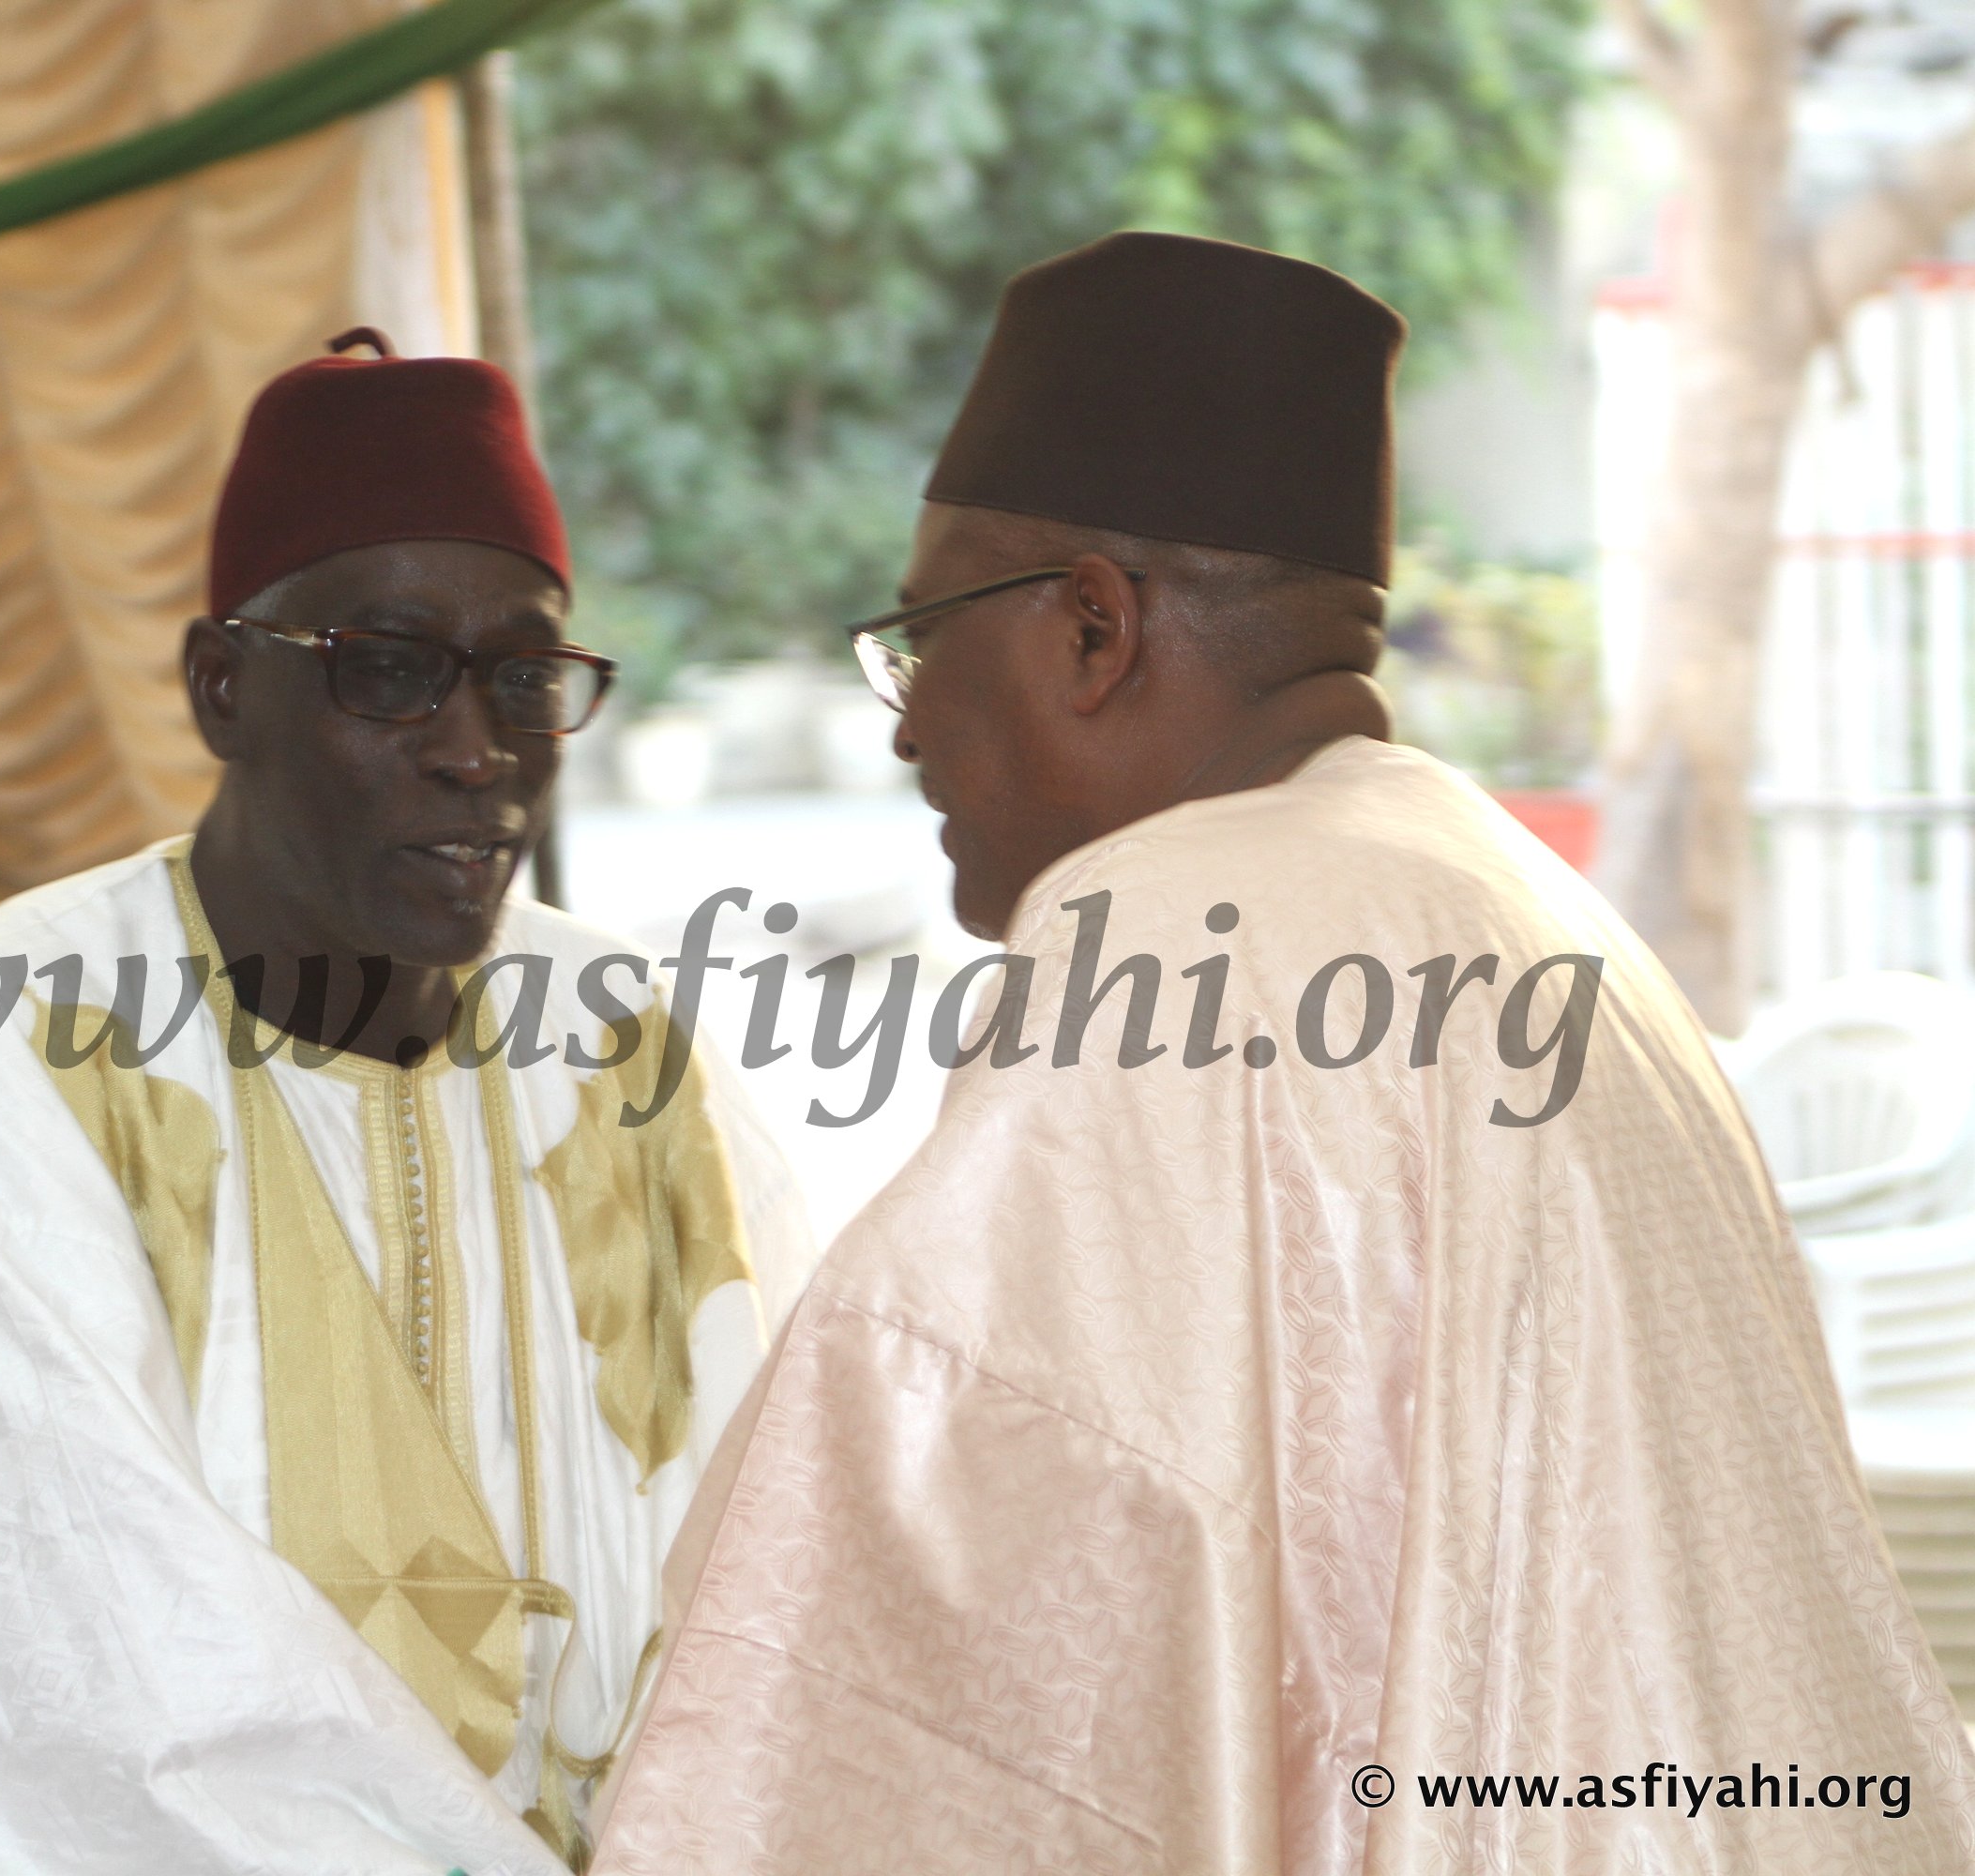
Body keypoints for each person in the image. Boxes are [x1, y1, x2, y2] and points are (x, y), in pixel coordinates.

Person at [592, 233, 1975, 1873]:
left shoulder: (1178, 940)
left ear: (1093, 630)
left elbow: (892, 1662)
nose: (900, 720)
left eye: (922, 637)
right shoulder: (1520, 900)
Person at [0, 330, 813, 1874]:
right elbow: (78, 1695)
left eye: (525, 675)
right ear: (224, 687)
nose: (474, 749)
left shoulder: (628, 1056)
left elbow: (771, 1584)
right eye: (388, 670)